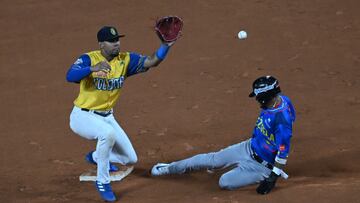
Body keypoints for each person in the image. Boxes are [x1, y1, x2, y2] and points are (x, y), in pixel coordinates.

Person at [66, 25, 176, 202]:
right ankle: (102, 182)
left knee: (129, 159)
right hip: (82, 116)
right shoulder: (88, 58)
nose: (116, 44)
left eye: (117, 40)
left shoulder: (125, 60)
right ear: (102, 44)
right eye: (111, 41)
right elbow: (70, 76)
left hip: (107, 117)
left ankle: (95, 157)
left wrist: (166, 45)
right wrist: (92, 69)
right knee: (107, 135)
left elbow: (152, 61)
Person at [151, 75, 296, 195]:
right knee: (212, 159)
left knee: (224, 182)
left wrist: (273, 177)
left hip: (262, 166)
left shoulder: (282, 122)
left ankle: (257, 175)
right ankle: (170, 167)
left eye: (258, 97)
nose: (256, 100)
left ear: (265, 97)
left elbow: (283, 153)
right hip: (248, 147)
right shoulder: (283, 100)